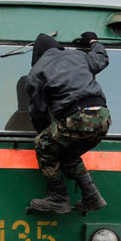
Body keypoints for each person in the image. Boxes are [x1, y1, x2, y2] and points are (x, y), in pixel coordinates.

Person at [24, 32, 112, 214]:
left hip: (79, 118)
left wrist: (45, 133)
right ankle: (92, 196)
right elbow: (101, 59)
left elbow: (38, 113)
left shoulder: (36, 73)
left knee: (43, 144)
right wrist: (93, 41)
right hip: (103, 118)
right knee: (66, 153)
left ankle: (58, 197)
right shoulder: (77, 56)